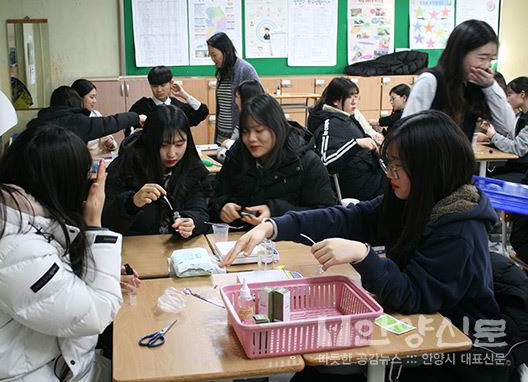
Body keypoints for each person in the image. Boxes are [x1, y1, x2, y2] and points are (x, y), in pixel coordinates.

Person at [221, 110, 517, 381]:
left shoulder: (459, 229)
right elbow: (349, 217)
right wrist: (276, 226)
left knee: (328, 368)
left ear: (430, 169)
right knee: (319, 366)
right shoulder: (413, 198)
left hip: (454, 346)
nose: (389, 174)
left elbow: (413, 296)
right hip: (413, 324)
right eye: (389, 164)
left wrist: (363, 254)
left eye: (399, 167)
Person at [0, 124, 123, 381]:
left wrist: (89, 273)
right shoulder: (15, 250)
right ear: (61, 184)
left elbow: (46, 282)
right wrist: (95, 226)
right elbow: (97, 312)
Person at [209, 94, 336, 230]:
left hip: (289, 244)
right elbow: (213, 197)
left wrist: (275, 212)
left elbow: (326, 217)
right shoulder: (237, 155)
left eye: (259, 130)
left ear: (277, 128)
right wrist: (222, 207)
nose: (251, 138)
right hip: (239, 241)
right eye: (245, 131)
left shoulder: (307, 162)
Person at [103, 105, 209, 237]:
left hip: (177, 250)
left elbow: (200, 210)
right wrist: (132, 203)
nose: (172, 154)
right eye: (163, 145)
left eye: (179, 144)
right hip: (135, 249)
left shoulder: (190, 166)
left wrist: (191, 221)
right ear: (149, 141)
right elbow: (106, 223)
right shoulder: (125, 166)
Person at [402, 20, 515, 141]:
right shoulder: (431, 81)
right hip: (430, 158)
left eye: (491, 59)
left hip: (462, 159)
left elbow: (507, 127)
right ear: (460, 53)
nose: (487, 65)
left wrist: (489, 86)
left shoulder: (475, 85)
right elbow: (407, 132)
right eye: (482, 58)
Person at [307, 77, 386, 201]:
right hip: (362, 187)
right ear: (335, 101)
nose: (354, 102)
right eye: (350, 97)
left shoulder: (347, 117)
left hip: (372, 175)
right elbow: (326, 163)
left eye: (356, 97)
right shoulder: (329, 123)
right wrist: (356, 144)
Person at [27, 85, 145, 144]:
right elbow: (111, 123)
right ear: (78, 101)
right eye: (91, 97)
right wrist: (136, 117)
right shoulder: (77, 121)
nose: (94, 101)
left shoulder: (35, 123)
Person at [207, 32, 260, 145]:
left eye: (214, 55)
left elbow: (256, 105)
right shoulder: (222, 71)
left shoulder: (245, 70)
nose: (212, 59)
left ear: (225, 51)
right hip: (221, 137)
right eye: (210, 55)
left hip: (238, 138)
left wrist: (235, 136)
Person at [478, 77, 528, 183]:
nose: (507, 99)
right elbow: (511, 139)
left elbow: (517, 148)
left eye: (509, 94)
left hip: (522, 171)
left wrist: (494, 136)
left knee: (483, 178)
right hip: (514, 165)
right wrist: (489, 136)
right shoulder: (520, 116)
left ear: (522, 94)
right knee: (477, 171)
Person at [129, 66, 209, 131]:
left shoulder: (178, 107)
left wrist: (184, 95)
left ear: (171, 83)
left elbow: (202, 112)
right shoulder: (141, 107)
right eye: (154, 86)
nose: (159, 90)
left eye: (163, 85)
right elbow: (128, 127)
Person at [216, 80, 265, 162]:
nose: (234, 101)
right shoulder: (242, 120)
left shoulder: (257, 121)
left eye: (236, 97)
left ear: (245, 98)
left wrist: (228, 144)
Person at [72, 78, 118, 158]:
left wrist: (110, 143)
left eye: (95, 97)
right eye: (92, 97)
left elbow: (113, 144)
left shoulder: (96, 115)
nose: (95, 101)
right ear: (79, 98)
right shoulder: (73, 119)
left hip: (101, 161)